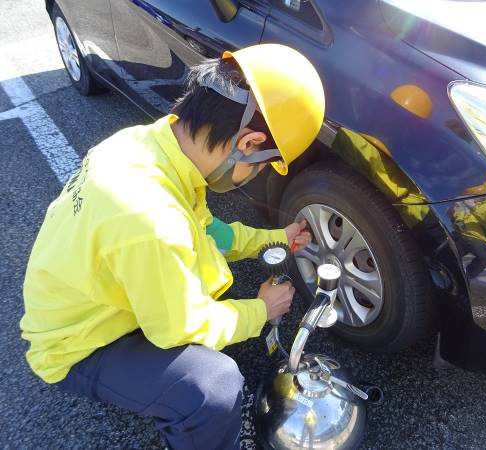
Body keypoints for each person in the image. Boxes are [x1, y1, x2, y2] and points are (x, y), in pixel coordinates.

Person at [19, 43, 325, 449]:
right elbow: (178, 328)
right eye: (266, 163)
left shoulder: (148, 147)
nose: (259, 174)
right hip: (78, 344)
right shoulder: (151, 220)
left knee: (207, 285)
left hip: (91, 293)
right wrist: (261, 310)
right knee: (213, 388)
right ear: (248, 143)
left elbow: (209, 233)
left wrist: (276, 238)